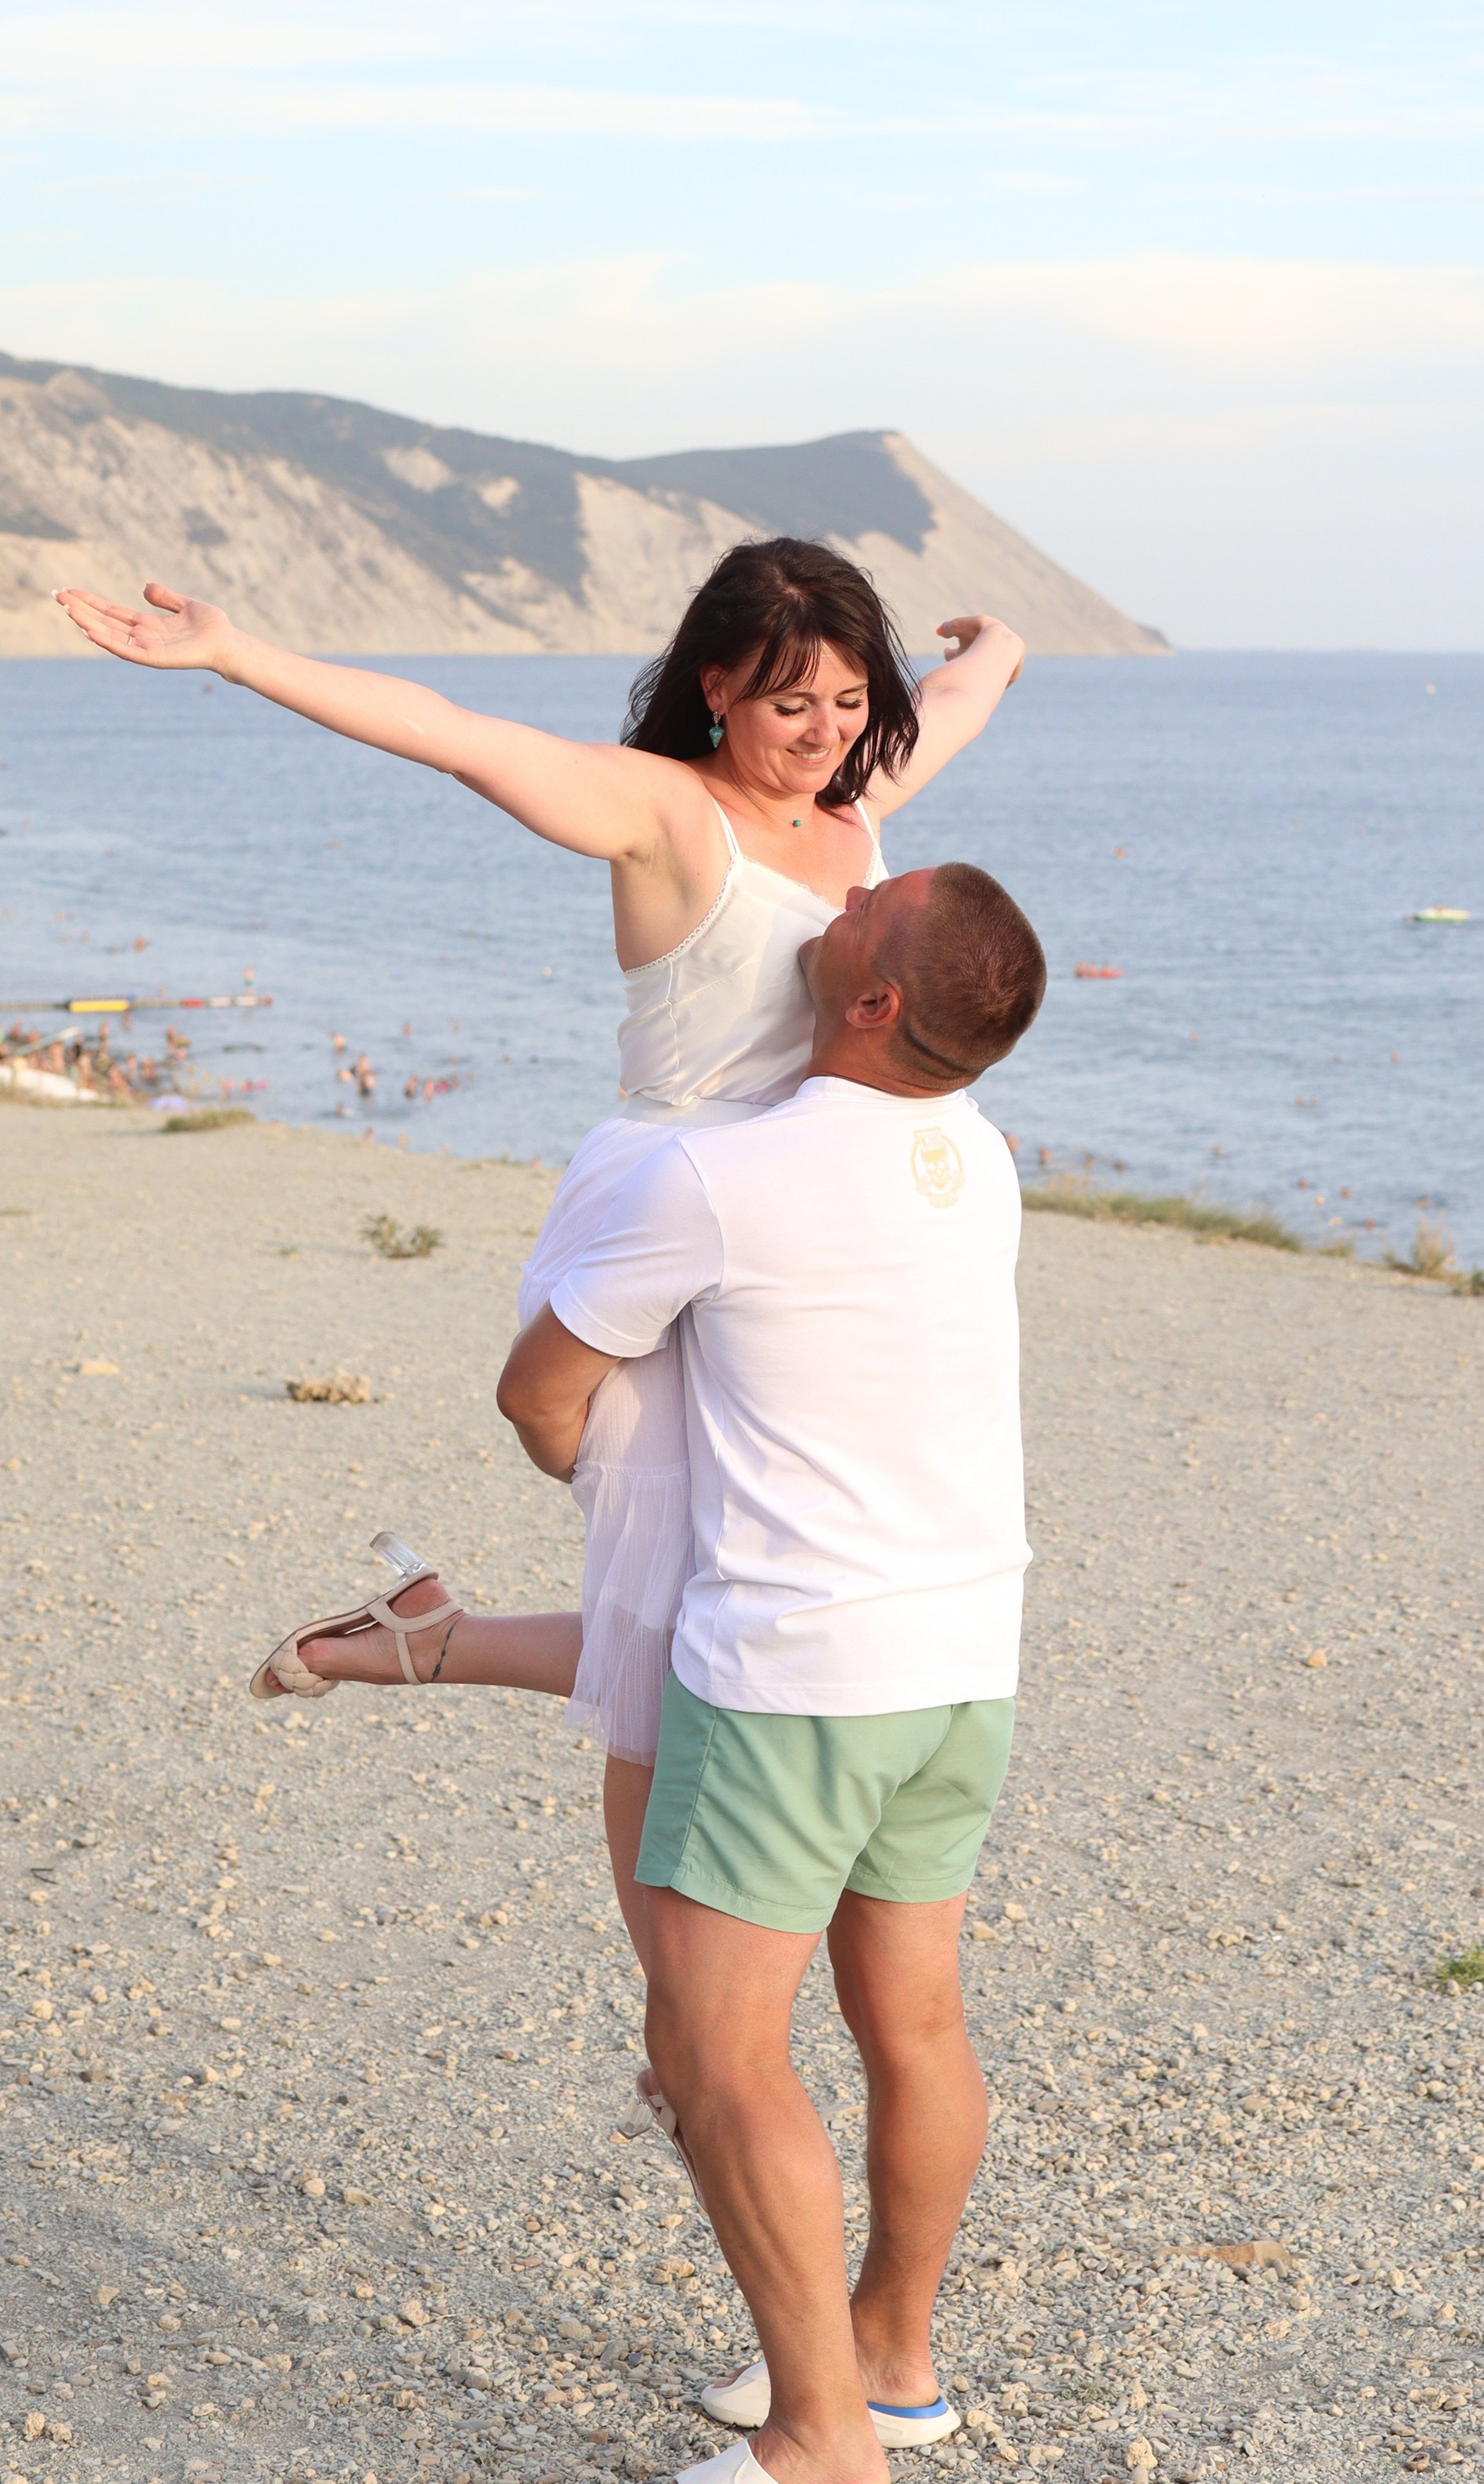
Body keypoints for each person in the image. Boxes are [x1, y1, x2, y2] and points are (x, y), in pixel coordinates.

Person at [54, 545, 1026, 1972]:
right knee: (660, 1614)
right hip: (669, 1213)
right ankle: (680, 2010)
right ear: (714, 689)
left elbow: (947, 702)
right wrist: (236, 652)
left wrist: (999, 647)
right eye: (787, 704)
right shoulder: (666, 813)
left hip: (798, 1244)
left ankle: (429, 1635)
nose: (823, 733)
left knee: (752, 1586)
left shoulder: (855, 807)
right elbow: (461, 737)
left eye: (842, 699)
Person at [495, 856, 1046, 2484]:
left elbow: (538, 1397)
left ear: (873, 1000)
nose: (834, 900)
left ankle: (823, 2456)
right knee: (916, 2025)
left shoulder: (715, 1174)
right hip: (963, 1652)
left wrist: (632, 1494)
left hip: (795, 1670)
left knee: (715, 2053)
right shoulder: (980, 1155)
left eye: (869, 916)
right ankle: (888, 2357)